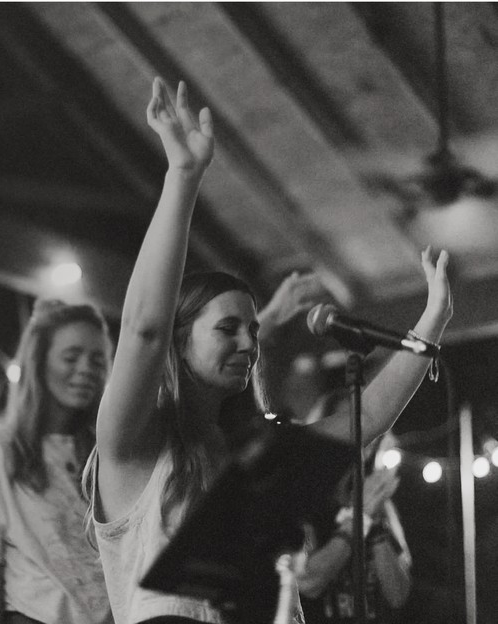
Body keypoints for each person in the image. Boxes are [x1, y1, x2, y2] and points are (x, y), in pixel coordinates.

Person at [83, 77, 452, 624]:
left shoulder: (255, 452)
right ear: (179, 341)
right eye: (227, 329)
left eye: (253, 331)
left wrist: (433, 320)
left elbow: (367, 419)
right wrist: (182, 177)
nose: (248, 344)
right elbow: (142, 330)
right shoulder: (133, 440)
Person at [0, 298, 114, 624]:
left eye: (97, 360)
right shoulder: (6, 449)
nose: (86, 369)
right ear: (39, 362)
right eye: (71, 356)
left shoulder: (107, 455)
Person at [296, 433, 411, 624]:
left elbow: (398, 596)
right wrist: (360, 518)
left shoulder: (382, 510)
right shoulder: (313, 514)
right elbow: (309, 583)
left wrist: (374, 525)